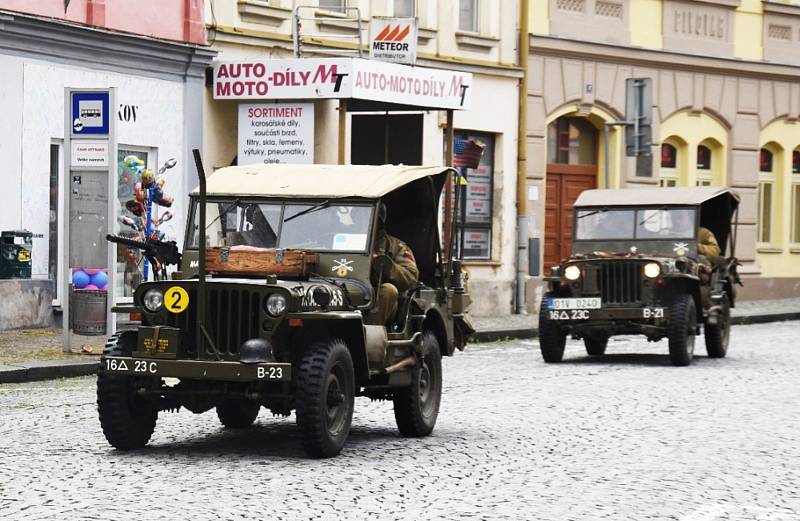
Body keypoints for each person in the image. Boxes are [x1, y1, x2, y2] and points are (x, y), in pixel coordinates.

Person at [366, 204, 419, 326]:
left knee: (389, 290)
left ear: (379, 221)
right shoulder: (342, 240)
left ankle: (367, 333)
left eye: (371, 218)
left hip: (377, 295)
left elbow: (410, 275)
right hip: (346, 291)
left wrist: (386, 267)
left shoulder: (395, 246)